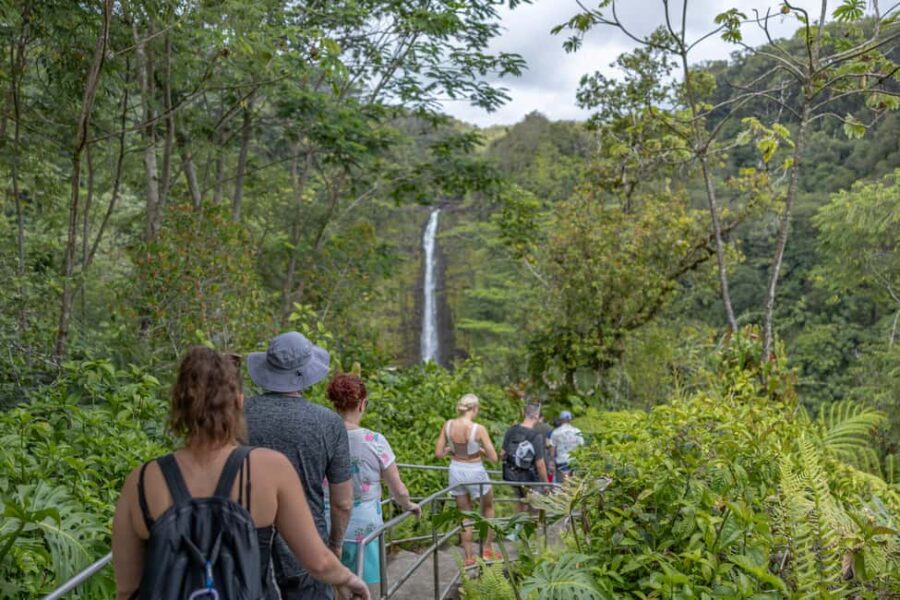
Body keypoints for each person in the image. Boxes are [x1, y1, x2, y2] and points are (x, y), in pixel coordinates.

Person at [111, 347, 368, 600]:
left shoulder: (140, 481)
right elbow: (318, 562)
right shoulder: (269, 468)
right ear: (238, 402)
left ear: (178, 403)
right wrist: (347, 579)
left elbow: (127, 589)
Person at [244, 332, 353, 600]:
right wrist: (335, 546)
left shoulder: (238, 414)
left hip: (246, 547)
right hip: (309, 549)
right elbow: (343, 502)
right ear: (304, 372)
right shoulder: (328, 423)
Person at [327, 373, 421, 597]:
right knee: (367, 590)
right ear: (362, 404)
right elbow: (398, 489)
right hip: (364, 529)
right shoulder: (374, 441)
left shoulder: (323, 435)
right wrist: (408, 504)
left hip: (328, 523)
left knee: (334, 589)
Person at [434, 393, 499, 567]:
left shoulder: (448, 425)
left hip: (456, 470)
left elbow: (439, 454)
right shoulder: (478, 429)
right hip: (475, 470)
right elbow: (494, 457)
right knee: (488, 507)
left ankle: (468, 557)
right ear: (474, 409)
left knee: (465, 515)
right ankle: (486, 549)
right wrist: (482, 452)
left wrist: (450, 450)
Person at [501, 402, 549, 513]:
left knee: (520, 503)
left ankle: (516, 528)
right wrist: (546, 484)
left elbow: (502, 454)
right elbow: (540, 464)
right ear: (537, 417)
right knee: (534, 507)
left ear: (524, 413)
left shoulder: (511, 430)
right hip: (530, 478)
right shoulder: (536, 436)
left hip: (512, 476)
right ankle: (531, 528)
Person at [551, 410, 584, 484]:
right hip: (575, 461)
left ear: (560, 419)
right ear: (570, 419)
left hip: (561, 461)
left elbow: (552, 449)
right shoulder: (577, 431)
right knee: (574, 484)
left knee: (563, 484)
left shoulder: (556, 432)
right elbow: (582, 447)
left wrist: (552, 461)